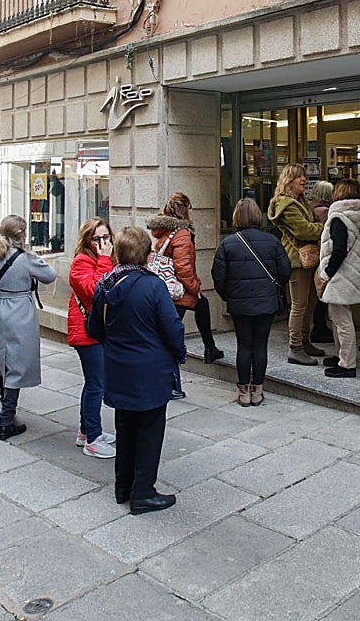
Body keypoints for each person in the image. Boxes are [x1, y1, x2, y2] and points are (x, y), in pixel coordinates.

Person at [86, 226, 186, 514]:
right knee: (150, 431)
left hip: (118, 367)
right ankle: (143, 492)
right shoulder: (153, 285)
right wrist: (177, 355)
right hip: (150, 370)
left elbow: (94, 328)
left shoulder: (106, 283)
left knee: (125, 427)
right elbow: (173, 328)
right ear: (146, 254)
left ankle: (123, 487)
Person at [0, 215, 57, 440]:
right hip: (18, 309)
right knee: (16, 363)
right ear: (23, 233)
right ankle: (6, 419)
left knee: (3, 359)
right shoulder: (25, 257)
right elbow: (50, 275)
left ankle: (7, 412)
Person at [211, 199, 291, 406]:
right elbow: (285, 271)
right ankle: (258, 390)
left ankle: (244, 391)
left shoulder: (228, 244)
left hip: (239, 303)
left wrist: (229, 295)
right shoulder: (272, 241)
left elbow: (218, 277)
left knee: (244, 345)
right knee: (260, 345)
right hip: (266, 301)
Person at [147, 192, 225, 366]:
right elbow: (183, 268)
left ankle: (210, 348)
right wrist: (194, 287)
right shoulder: (181, 233)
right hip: (178, 289)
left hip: (170, 285)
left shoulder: (165, 230)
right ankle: (165, 365)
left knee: (202, 305)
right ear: (185, 210)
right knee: (171, 331)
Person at [267, 164, 326, 365]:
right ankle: (295, 347)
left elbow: (308, 227)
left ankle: (304, 340)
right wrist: (323, 227)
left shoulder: (298, 202)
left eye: (305, 176)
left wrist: (315, 227)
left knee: (310, 302)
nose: (304, 179)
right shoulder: (287, 205)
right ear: (289, 180)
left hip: (307, 259)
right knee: (299, 305)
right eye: (300, 176)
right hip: (296, 260)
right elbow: (303, 230)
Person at [68, 217, 116, 458]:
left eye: (106, 237)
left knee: (95, 382)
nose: (102, 243)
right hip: (86, 332)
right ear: (87, 240)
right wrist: (105, 260)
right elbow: (96, 290)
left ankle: (86, 431)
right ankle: (93, 439)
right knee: (96, 384)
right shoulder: (81, 262)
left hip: (98, 331)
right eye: (97, 238)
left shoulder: (100, 260)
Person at [317, 179, 360, 378]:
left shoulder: (339, 218)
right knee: (339, 317)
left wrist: (326, 273)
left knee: (342, 320)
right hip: (352, 274)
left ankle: (347, 364)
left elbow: (339, 250)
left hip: (340, 275)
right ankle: (341, 356)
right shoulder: (359, 216)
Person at [306, 181, 335, 346]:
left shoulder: (310, 208)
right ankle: (319, 327)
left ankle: (317, 326)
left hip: (311, 256)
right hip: (321, 256)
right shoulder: (325, 212)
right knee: (322, 294)